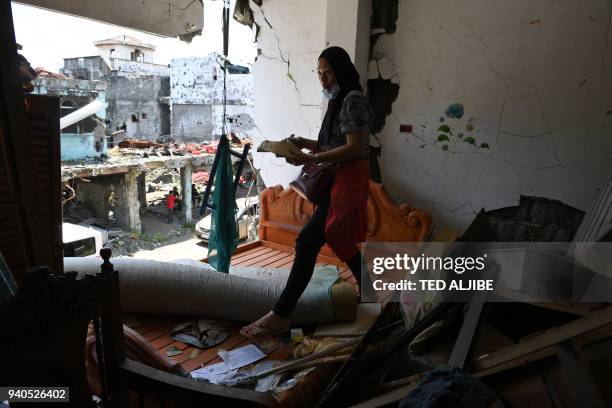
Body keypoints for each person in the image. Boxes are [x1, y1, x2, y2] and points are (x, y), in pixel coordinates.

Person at [241, 46, 372, 337]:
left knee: (307, 241)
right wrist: (303, 142)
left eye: (328, 72)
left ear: (341, 71)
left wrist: (311, 158)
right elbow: (332, 143)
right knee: (336, 238)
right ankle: (370, 287)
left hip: (347, 178)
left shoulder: (353, 99)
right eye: (319, 73)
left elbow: (355, 148)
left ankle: (281, 313)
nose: (323, 79)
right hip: (335, 176)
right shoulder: (339, 99)